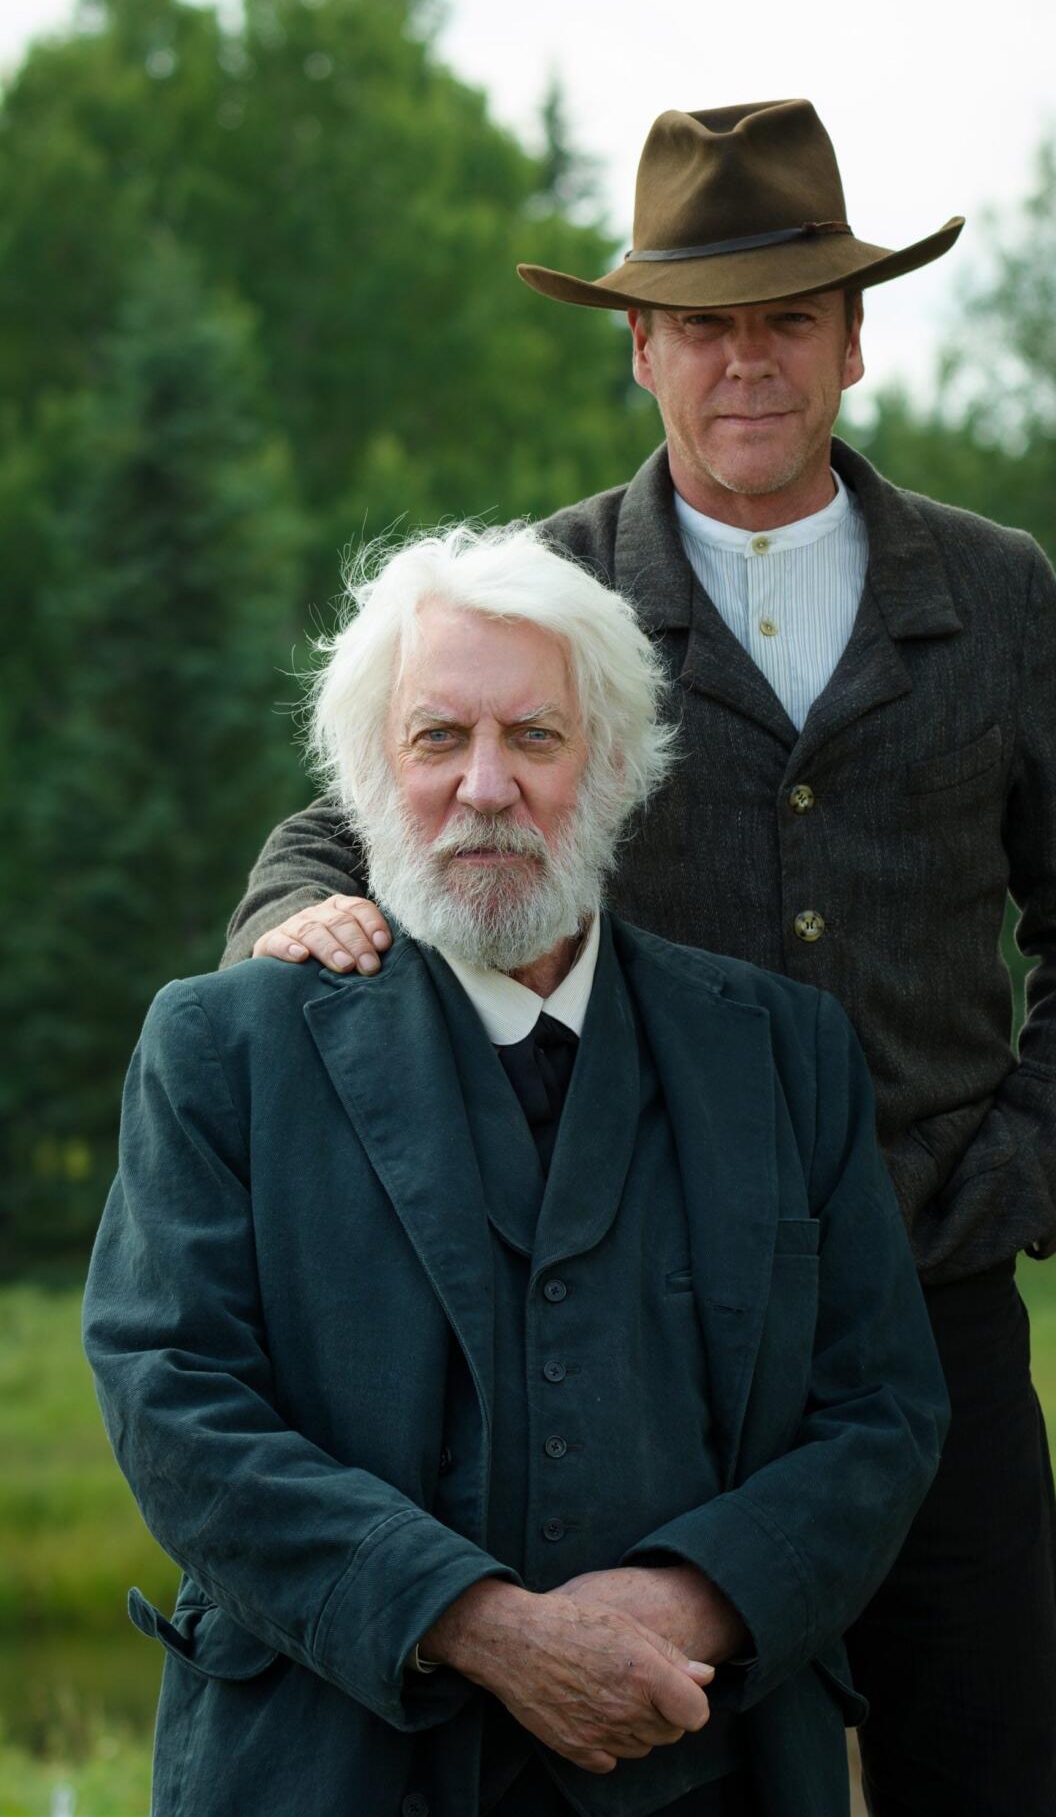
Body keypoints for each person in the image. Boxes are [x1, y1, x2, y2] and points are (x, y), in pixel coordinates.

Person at [222, 101, 1056, 1813]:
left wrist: (1035, 1170)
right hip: (662, 1323)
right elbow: (360, 814)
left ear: (853, 340)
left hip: (940, 1300)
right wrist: (288, 925)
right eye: (706, 327)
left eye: (788, 319)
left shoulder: (995, 589)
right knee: (705, 1774)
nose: (749, 364)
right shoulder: (553, 590)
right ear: (639, 350)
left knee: (987, 1765)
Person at [83, 524, 948, 1817]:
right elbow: (174, 1402)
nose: (485, 786)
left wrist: (686, 1604)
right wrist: (483, 1627)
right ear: (370, 770)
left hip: (706, 1765)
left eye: (533, 738)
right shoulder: (220, 1050)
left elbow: (879, 1412)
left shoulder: (784, 1054)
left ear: (608, 765)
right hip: (326, 1770)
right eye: (439, 737)